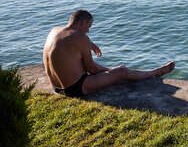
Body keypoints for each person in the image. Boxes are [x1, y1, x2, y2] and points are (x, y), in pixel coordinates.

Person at [43, 10, 175, 97]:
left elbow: (67, 43)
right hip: (74, 89)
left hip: (56, 87)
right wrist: (113, 71)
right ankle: (155, 72)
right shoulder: (80, 38)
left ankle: (124, 72)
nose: (88, 31)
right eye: (89, 26)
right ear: (82, 22)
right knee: (122, 72)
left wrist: (89, 44)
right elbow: (92, 69)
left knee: (108, 71)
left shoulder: (55, 31)